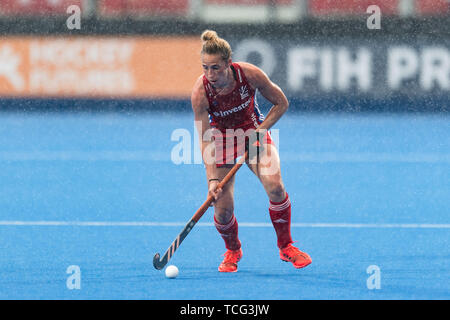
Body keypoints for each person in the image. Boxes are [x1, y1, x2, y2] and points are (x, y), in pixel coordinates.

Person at [191, 30, 311, 272]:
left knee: (275, 186)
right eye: (205, 68)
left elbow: (281, 103)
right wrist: (213, 179)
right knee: (222, 212)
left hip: (253, 132)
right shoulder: (200, 93)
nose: (210, 74)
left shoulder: (249, 74)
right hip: (222, 140)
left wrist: (260, 130)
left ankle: (286, 247)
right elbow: (205, 139)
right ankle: (233, 250)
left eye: (215, 68)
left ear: (228, 63)